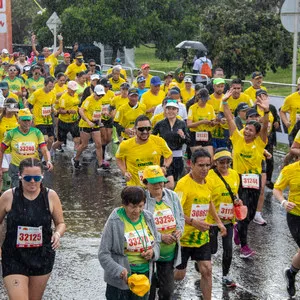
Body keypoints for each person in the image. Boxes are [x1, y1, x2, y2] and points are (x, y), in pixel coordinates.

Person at [0, 157, 65, 300]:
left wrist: (58, 234)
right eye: (28, 177)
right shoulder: (8, 196)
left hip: (42, 255)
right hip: (14, 256)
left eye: (37, 177)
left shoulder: (50, 196)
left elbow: (61, 223)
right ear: (20, 176)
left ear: (42, 176)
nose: (32, 181)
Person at [174, 149, 226, 300]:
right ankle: (161, 281)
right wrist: (192, 222)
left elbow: (209, 201)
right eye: (201, 165)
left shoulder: (209, 180)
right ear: (191, 164)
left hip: (201, 236)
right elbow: (174, 211)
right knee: (179, 275)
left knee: (207, 269)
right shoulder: (183, 185)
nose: (205, 169)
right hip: (183, 238)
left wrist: (219, 222)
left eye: (208, 165)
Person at [222, 88, 268, 258]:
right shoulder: (237, 138)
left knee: (249, 215)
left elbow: (264, 127)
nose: (246, 131)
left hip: (254, 180)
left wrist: (266, 110)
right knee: (242, 212)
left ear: (256, 134)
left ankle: (237, 229)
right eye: (246, 128)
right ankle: (244, 246)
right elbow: (228, 119)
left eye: (250, 130)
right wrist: (225, 102)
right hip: (239, 178)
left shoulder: (260, 142)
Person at [98, 186, 160, 300]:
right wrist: (119, 270)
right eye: (133, 207)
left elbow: (157, 243)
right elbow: (103, 254)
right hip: (120, 281)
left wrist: (153, 252)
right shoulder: (114, 221)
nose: (137, 211)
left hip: (143, 277)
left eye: (141, 206)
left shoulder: (148, 218)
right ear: (124, 204)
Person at [142, 165, 184, 300]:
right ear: (146, 182)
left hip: (168, 254)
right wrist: (160, 237)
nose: (158, 185)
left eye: (160, 181)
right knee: (149, 291)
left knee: (167, 292)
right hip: (149, 253)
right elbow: (139, 226)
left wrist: (179, 231)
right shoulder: (142, 200)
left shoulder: (172, 196)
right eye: (153, 182)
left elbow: (181, 218)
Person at [206, 148, 241, 287]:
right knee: (212, 249)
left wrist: (237, 201)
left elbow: (235, 193)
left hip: (228, 219)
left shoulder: (234, 174)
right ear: (215, 162)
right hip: (212, 221)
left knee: (228, 249)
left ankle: (226, 275)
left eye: (228, 162)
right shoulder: (208, 176)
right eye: (222, 162)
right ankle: (201, 263)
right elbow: (207, 201)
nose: (225, 165)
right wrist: (218, 221)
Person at [0, 108, 53, 188]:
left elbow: (44, 150)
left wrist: (48, 161)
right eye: (24, 120)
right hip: (17, 168)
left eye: (29, 120)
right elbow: (1, 150)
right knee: (18, 191)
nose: (27, 123)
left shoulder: (37, 132)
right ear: (18, 120)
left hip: (33, 167)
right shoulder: (11, 134)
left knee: (34, 190)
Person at [116, 115, 172, 187]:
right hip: (135, 187)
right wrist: (124, 172)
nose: (145, 132)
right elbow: (118, 158)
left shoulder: (159, 141)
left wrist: (164, 167)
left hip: (154, 184)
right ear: (135, 129)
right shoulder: (125, 145)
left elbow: (169, 155)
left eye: (148, 128)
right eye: (141, 129)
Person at [273, 159, 300, 297]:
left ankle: (291, 273)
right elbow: (277, 188)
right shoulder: (289, 169)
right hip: (296, 216)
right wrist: (284, 202)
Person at [152, 100, 190, 189]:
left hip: (178, 157)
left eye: (173, 109)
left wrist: (183, 136)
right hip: (164, 158)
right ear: (165, 110)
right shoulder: (160, 124)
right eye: (168, 109)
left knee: (177, 184)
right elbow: (151, 138)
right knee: (169, 184)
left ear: (177, 111)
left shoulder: (182, 124)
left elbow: (188, 141)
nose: (170, 111)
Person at [72, 85, 107, 170]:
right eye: (99, 95)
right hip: (85, 124)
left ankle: (100, 164)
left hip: (95, 124)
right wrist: (88, 121)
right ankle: (75, 159)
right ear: (94, 93)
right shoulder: (89, 99)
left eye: (102, 95)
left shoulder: (100, 100)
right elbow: (81, 110)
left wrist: (101, 116)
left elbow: (97, 111)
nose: (100, 97)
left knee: (98, 144)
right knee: (84, 145)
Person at [51, 81, 81, 155]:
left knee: (77, 139)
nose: (74, 91)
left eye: (75, 90)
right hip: (64, 122)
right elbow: (60, 111)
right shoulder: (64, 98)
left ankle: (75, 156)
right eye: (72, 90)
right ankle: (51, 150)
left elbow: (76, 105)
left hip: (74, 121)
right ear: (68, 89)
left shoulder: (76, 95)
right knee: (60, 141)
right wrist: (68, 111)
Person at [27, 77, 56, 151]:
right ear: (45, 84)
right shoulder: (37, 93)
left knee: (51, 139)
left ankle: (46, 156)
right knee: (45, 138)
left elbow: (51, 105)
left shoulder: (52, 93)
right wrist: (30, 114)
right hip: (39, 119)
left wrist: (54, 109)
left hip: (48, 119)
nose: (51, 88)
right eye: (50, 86)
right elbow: (28, 103)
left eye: (52, 86)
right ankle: (39, 152)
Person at [187, 88, 216, 157]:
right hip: (195, 134)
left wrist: (213, 123)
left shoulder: (210, 107)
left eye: (206, 99)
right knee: (199, 158)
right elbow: (189, 124)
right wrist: (202, 122)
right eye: (203, 100)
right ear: (199, 98)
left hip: (207, 133)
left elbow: (214, 121)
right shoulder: (192, 108)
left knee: (210, 157)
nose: (205, 101)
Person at [0, 98, 19, 192]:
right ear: (5, 108)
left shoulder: (18, 119)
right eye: (10, 111)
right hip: (2, 152)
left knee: (14, 177)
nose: (12, 113)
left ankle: (12, 197)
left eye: (14, 111)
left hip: (14, 152)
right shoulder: (1, 120)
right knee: (6, 177)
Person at [280, 76, 300, 146]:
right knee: (294, 152)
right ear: (298, 85)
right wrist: (286, 122)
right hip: (294, 130)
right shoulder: (290, 98)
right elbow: (282, 111)